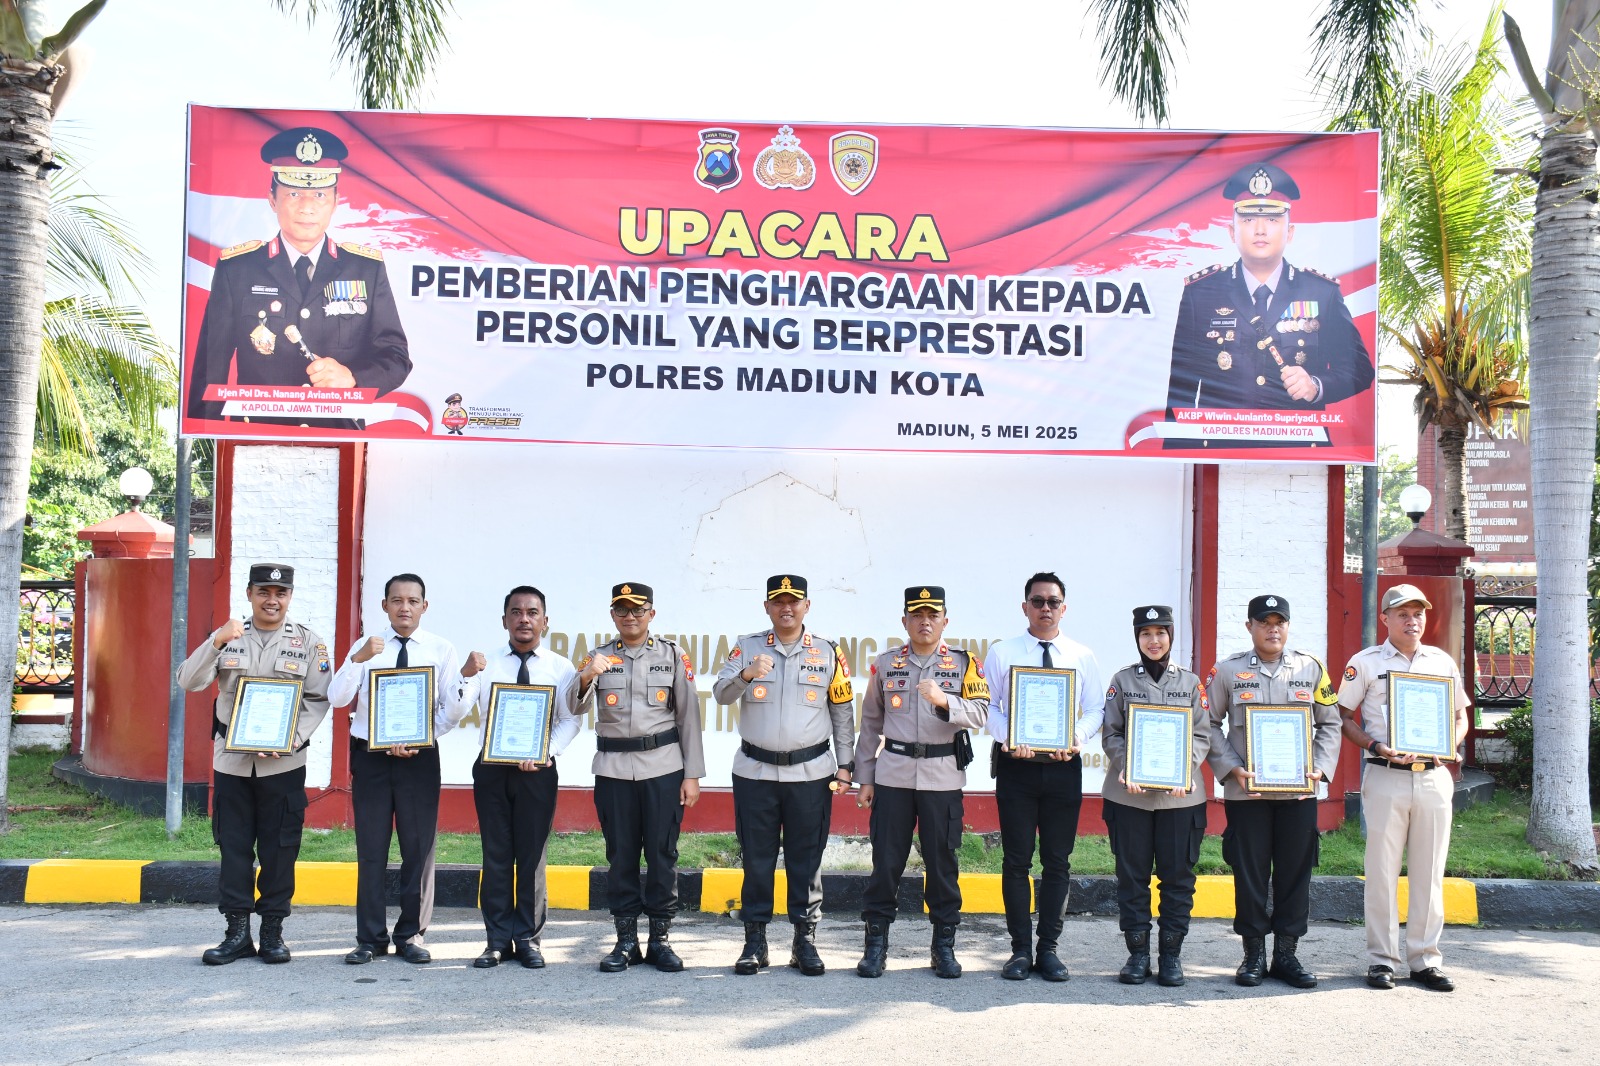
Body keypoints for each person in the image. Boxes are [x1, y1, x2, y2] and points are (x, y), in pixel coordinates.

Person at [185, 125, 411, 425]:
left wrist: (353, 378)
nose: (307, 207)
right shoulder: (237, 269)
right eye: (293, 193)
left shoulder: (366, 270)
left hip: (339, 435)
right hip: (255, 437)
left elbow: (396, 358)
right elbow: (210, 367)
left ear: (335, 202)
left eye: (319, 194)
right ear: (272, 200)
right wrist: (206, 436)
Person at [176, 563, 331, 965]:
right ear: (249, 594)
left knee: (280, 850)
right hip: (232, 763)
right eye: (263, 592)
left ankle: (272, 933)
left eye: (280, 593)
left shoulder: (308, 644)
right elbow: (188, 681)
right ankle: (237, 933)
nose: (271, 600)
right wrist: (215, 641)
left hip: (283, 765)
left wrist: (291, 738)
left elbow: (318, 699)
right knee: (234, 848)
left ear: (290, 597)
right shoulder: (229, 637)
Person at [713, 574, 855, 977]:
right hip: (755, 772)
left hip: (811, 773)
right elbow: (720, 694)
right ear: (767, 607)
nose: (786, 608)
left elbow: (842, 712)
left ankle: (804, 941)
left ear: (806, 606)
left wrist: (846, 766)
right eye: (778, 601)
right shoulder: (747, 647)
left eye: (794, 601)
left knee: (805, 860)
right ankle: (755, 942)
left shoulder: (828, 652)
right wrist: (746, 675)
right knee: (757, 860)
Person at [328, 573, 471, 965]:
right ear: (384, 606)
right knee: (371, 848)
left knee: (418, 849)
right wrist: (358, 660)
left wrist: (420, 737)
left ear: (424, 606)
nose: (404, 607)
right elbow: (337, 698)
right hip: (371, 758)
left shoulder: (441, 649)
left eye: (412, 601)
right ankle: (370, 938)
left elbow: (451, 709)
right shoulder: (366, 646)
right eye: (396, 600)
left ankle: (411, 935)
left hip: (419, 759)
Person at [1337, 584, 1470, 993]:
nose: (1412, 621)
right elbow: (1343, 717)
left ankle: (1425, 960)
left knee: (1429, 873)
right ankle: (1382, 960)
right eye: (1403, 614)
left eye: (1418, 614)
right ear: (1385, 619)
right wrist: (1375, 746)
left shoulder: (1441, 662)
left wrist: (1450, 745)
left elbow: (1461, 717)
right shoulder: (1365, 663)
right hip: (1386, 775)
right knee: (1382, 871)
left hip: (1433, 777)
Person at [853, 586, 990, 979]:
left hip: (942, 776)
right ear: (905, 621)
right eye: (917, 615)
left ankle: (943, 946)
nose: (925, 622)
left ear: (945, 621)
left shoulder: (964, 663)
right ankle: (875, 945)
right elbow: (871, 723)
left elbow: (981, 713)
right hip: (893, 775)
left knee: (942, 864)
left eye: (932, 615)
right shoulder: (886, 664)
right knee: (886, 862)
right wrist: (865, 777)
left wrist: (945, 701)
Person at [1205, 594, 1342, 988]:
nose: (1272, 629)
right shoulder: (1227, 671)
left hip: (1298, 795)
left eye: (1279, 622)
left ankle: (1286, 954)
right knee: (1248, 874)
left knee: (1295, 874)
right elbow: (1208, 723)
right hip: (1246, 794)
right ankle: (1253, 955)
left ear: (1288, 626)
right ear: (1249, 626)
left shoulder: (1311, 669)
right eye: (1264, 622)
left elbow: (1330, 723)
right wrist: (1232, 768)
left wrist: (1320, 768)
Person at [1165, 161, 1373, 415]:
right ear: (1232, 232)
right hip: (1221, 439)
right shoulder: (1201, 293)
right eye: (1248, 219)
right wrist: (1178, 439)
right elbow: (1180, 389)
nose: (1260, 230)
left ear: (1290, 232)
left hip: (1296, 439)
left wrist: (1316, 386)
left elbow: (1360, 370)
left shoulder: (1321, 293)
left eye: (1273, 219)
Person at [981, 571, 1105, 982]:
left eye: (1053, 602)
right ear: (1025, 607)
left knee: (1057, 862)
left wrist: (1076, 737)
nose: (1045, 608)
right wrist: (1009, 737)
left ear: (1063, 608)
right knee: (1016, 861)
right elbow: (989, 706)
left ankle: (1048, 949)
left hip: (1062, 768)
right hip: (1016, 767)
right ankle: (1019, 950)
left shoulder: (1081, 655)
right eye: (1038, 601)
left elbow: (1095, 710)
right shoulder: (1003, 652)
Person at [576, 583, 706, 973]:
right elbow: (573, 706)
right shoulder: (597, 656)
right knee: (621, 855)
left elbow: (689, 716)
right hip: (614, 770)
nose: (630, 616)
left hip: (663, 768)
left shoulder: (673, 655)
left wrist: (692, 775)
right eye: (622, 610)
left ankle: (660, 940)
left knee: (663, 854)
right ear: (612, 615)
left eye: (637, 609)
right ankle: (626, 941)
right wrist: (586, 676)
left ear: (651, 613)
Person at [462, 585, 580, 970]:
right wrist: (465, 675)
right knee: (496, 855)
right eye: (516, 612)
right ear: (504, 620)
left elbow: (570, 721)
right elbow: (460, 707)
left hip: (538, 773)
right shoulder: (486, 664)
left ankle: (528, 939)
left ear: (545, 621)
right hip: (492, 770)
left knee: (531, 857)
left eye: (532, 612)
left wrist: (545, 753)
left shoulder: (561, 668)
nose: (524, 619)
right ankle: (496, 940)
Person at [1100, 605, 1211, 987]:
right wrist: (1128, 765)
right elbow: (1111, 733)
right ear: (1137, 638)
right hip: (1129, 796)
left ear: (1171, 636)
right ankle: (1137, 956)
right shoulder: (1122, 680)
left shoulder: (1191, 683)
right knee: (1132, 878)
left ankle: (1171, 956)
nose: (1153, 640)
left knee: (1177, 879)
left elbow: (1201, 734)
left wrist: (1184, 769)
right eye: (1146, 634)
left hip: (1180, 800)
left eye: (1160, 633)